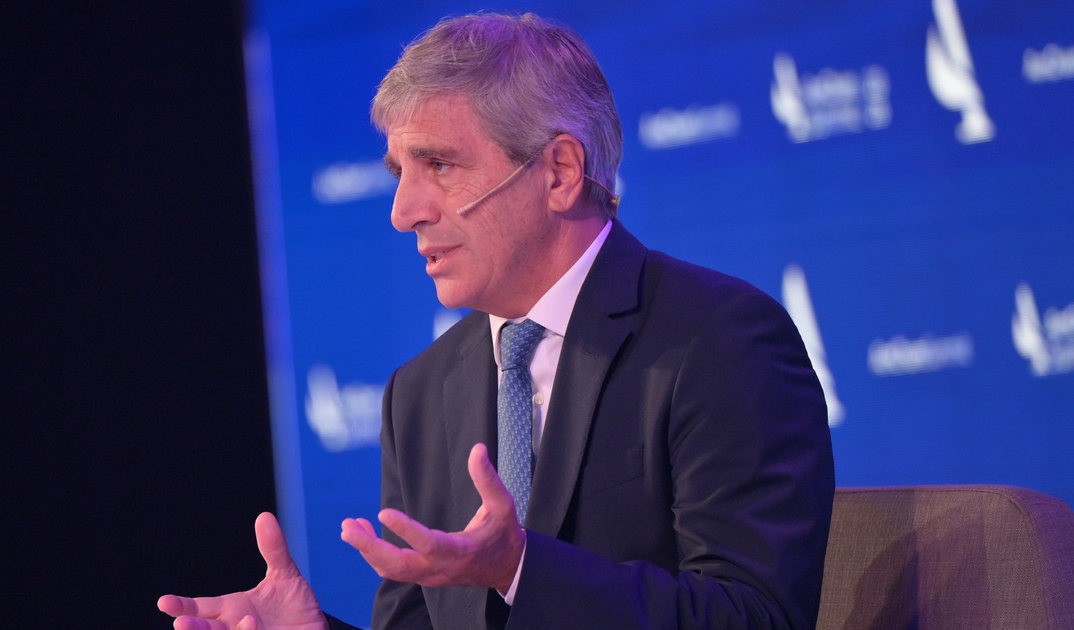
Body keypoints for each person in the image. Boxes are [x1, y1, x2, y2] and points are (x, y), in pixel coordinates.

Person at [159, 12, 834, 630]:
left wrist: (520, 569)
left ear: (560, 172)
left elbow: (757, 615)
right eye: (399, 171)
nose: (403, 212)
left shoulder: (716, 340)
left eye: (440, 165)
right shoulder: (419, 393)